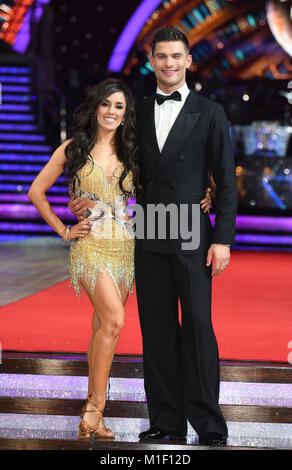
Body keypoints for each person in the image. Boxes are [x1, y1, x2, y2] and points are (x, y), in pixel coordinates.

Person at [133, 27, 237, 446]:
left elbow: (226, 182)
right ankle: (165, 421)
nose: (170, 63)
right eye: (162, 56)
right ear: (152, 60)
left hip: (194, 230)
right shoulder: (136, 111)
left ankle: (208, 424)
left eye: (177, 56)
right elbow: (112, 163)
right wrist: (87, 197)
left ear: (189, 60)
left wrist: (223, 239)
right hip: (151, 227)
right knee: (156, 331)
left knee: (197, 328)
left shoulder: (210, 112)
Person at [28, 79, 140, 440]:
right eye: (106, 104)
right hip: (90, 245)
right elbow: (36, 192)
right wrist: (63, 230)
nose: (111, 112)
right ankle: (95, 409)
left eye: (119, 107)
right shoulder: (73, 148)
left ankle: (92, 407)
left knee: (101, 328)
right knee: (114, 321)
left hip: (124, 246)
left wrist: (204, 192)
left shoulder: (132, 150)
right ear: (95, 109)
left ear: (126, 115)